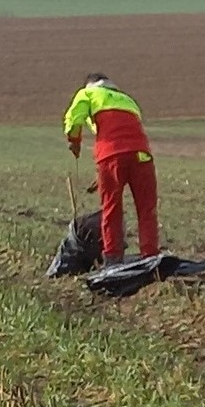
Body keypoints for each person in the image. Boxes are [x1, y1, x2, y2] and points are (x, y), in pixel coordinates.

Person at [63, 74, 158, 266]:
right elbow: (125, 137)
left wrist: (74, 142)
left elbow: (74, 120)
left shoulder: (88, 93)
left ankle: (113, 260)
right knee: (147, 209)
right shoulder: (127, 100)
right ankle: (151, 257)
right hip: (142, 155)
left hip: (110, 156)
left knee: (112, 209)